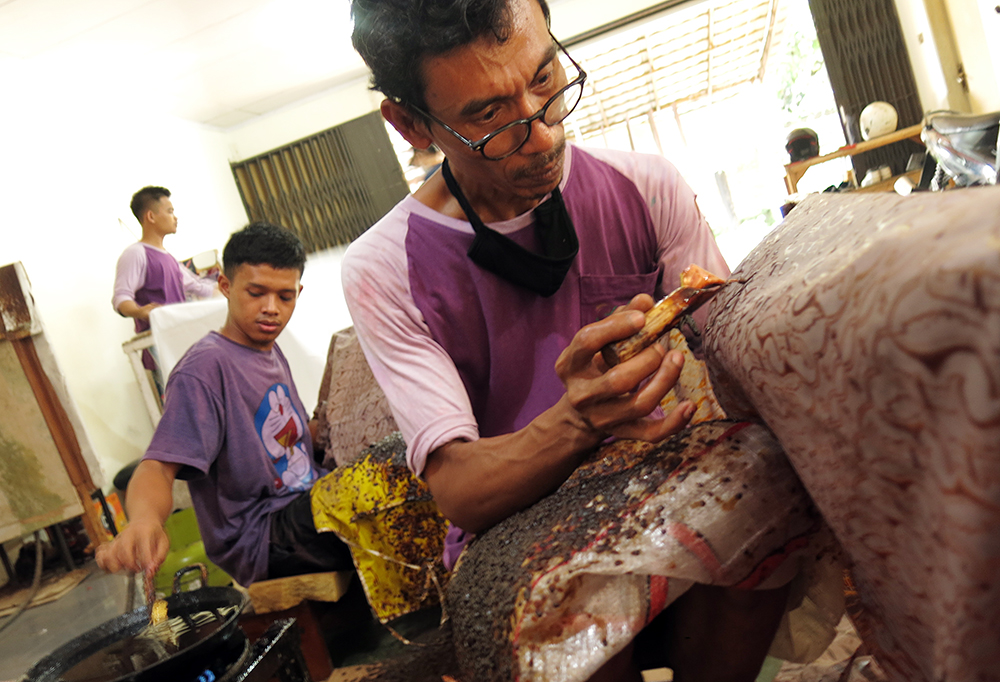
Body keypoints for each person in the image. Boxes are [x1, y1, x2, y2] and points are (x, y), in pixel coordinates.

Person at [342, 0, 795, 679]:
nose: (544, 138)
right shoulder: (385, 268)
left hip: (659, 477)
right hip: (516, 522)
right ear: (410, 124)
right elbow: (461, 490)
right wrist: (577, 419)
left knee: (773, 484)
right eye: (489, 116)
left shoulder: (646, 187)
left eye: (547, 78)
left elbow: (738, 352)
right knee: (563, 614)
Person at [97, 222, 353, 588]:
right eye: (256, 292)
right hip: (263, 536)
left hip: (305, 501)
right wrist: (143, 521)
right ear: (225, 286)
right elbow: (158, 466)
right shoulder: (204, 369)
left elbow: (290, 445)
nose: (271, 309)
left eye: (285, 297)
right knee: (377, 497)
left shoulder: (270, 350)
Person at [112, 186, 218, 384]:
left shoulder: (169, 260)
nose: (175, 217)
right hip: (160, 346)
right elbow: (121, 299)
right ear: (151, 216)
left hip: (182, 341)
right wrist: (142, 312)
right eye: (170, 211)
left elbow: (202, 287)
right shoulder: (136, 254)